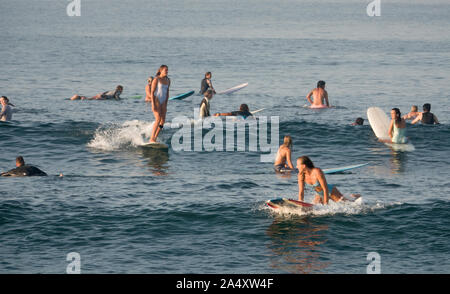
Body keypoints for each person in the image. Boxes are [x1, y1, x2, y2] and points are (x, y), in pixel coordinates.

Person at [149, 65, 170, 143]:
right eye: (165, 70)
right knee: (158, 119)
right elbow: (152, 92)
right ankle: (151, 138)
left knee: (162, 122)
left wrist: (166, 104)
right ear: (161, 70)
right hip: (157, 100)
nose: (167, 71)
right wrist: (153, 104)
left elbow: (167, 92)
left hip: (164, 102)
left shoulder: (168, 80)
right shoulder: (156, 79)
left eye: (167, 70)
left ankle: (155, 137)